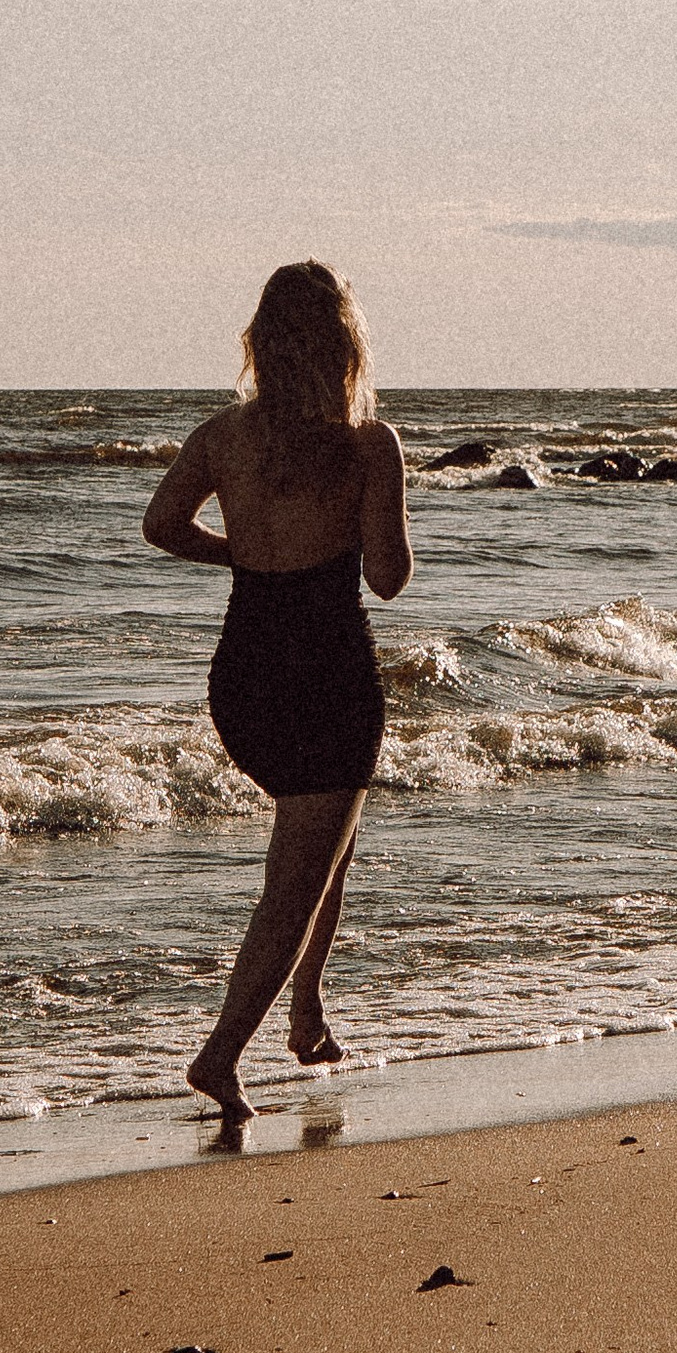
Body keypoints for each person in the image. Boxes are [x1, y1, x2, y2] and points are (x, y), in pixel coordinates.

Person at [143, 261, 412, 1115]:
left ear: (261, 341)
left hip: (244, 670)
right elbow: (387, 577)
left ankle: (307, 1010)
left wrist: (242, 553)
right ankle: (219, 1057)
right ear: (345, 344)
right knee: (296, 879)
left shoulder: (222, 434)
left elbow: (161, 526)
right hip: (328, 666)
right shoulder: (368, 443)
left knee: (323, 843)